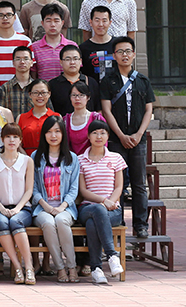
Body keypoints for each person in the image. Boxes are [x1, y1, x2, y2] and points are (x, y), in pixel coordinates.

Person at [100, 35, 154, 239]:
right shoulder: (108, 81)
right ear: (114, 55)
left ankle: (141, 225)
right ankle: (118, 223)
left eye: (128, 51)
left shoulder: (143, 80)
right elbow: (106, 110)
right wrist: (121, 135)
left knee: (139, 184)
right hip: (117, 140)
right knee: (118, 184)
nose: (124, 55)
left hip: (138, 140)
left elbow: (149, 110)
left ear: (133, 54)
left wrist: (139, 134)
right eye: (120, 51)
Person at [31, 116, 82, 283]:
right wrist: (45, 206)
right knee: (48, 223)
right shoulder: (35, 156)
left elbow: (74, 188)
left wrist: (62, 207)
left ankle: (71, 267)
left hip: (65, 208)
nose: (53, 135)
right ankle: (60, 268)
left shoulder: (72, 158)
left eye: (57, 131)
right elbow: (33, 187)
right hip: (42, 208)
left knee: (61, 220)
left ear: (63, 134)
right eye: (49, 131)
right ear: (44, 135)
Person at [77, 120, 127, 284]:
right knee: (98, 210)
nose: (99, 136)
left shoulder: (116, 158)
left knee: (93, 224)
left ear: (108, 136)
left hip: (113, 210)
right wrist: (104, 201)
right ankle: (112, 255)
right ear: (88, 136)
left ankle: (96, 269)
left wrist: (111, 202)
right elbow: (83, 191)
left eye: (103, 133)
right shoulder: (80, 160)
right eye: (95, 133)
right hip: (87, 208)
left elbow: (119, 186)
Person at [0, 123, 36, 285]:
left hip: (22, 208)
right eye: (8, 136)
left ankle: (28, 267)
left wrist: (17, 208)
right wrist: (1, 208)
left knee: (16, 221)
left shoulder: (27, 161)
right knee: (2, 223)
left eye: (15, 137)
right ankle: (17, 267)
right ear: (2, 139)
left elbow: (29, 190)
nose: (11, 140)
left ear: (20, 140)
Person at [0, 1, 31, 84]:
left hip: (19, 89)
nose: (5, 18)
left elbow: (31, 68)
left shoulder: (25, 41)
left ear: (15, 18)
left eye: (9, 15)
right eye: (1, 15)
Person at [49, 44, 101, 115]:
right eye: (68, 59)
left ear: (81, 61)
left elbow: (98, 109)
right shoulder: (52, 85)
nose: (72, 62)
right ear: (61, 62)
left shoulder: (91, 82)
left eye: (75, 59)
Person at [30, 4, 76, 81]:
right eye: (48, 21)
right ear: (42, 23)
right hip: (43, 88)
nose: (52, 25)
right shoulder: (34, 48)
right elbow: (33, 75)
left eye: (56, 21)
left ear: (62, 23)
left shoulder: (72, 46)